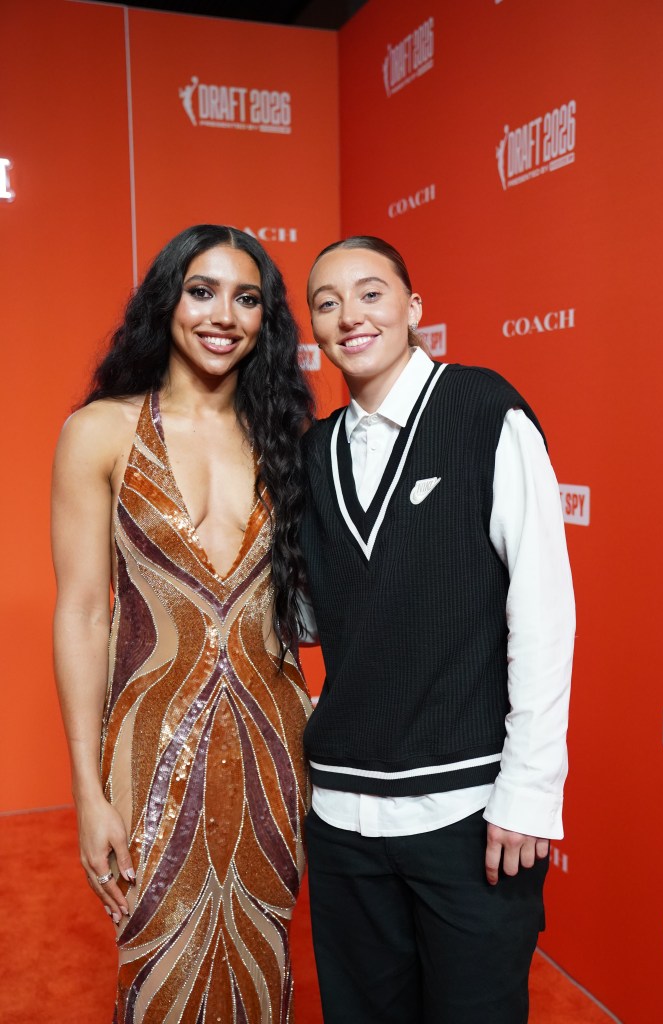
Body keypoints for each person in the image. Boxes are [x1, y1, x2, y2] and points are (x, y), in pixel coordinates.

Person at [299, 236, 575, 1023]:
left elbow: (543, 606)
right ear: (313, 327)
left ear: (413, 308)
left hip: (468, 812)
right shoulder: (313, 452)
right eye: (327, 302)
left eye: (371, 293)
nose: (350, 315)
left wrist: (528, 789)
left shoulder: (483, 408)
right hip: (343, 814)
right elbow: (324, 614)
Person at [51, 225, 314, 1023]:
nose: (222, 314)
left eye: (247, 298)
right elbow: (84, 611)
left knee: (261, 966)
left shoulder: (288, 442)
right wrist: (87, 790)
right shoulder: (100, 431)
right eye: (203, 291)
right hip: (148, 745)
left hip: (274, 749)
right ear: (167, 299)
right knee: (159, 965)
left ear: (266, 320)